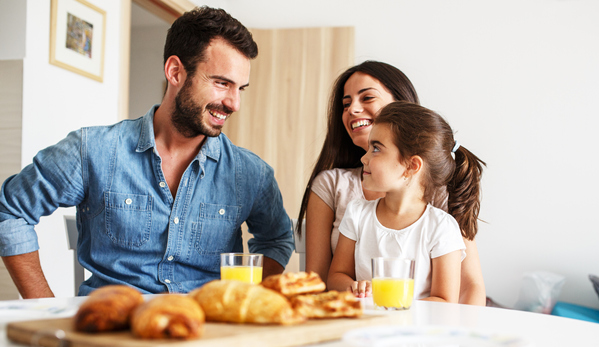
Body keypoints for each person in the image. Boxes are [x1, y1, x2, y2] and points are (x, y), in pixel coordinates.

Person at [0, 7, 294, 298]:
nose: (234, 103)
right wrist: (45, 310)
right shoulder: (93, 150)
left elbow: (277, 238)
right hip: (113, 329)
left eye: (240, 88)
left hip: (205, 331)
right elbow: (9, 211)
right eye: (221, 83)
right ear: (175, 71)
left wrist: (245, 303)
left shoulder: (251, 173)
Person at [297, 61, 487, 305]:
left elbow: (465, 289)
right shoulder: (342, 196)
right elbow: (324, 281)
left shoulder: (441, 211)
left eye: (366, 98)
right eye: (345, 104)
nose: (352, 109)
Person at [327, 101, 485, 302]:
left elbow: (444, 301)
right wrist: (353, 286)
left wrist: (395, 304)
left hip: (415, 331)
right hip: (366, 328)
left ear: (412, 166)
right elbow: (335, 277)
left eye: (376, 149)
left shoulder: (441, 228)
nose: (364, 158)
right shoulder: (357, 213)